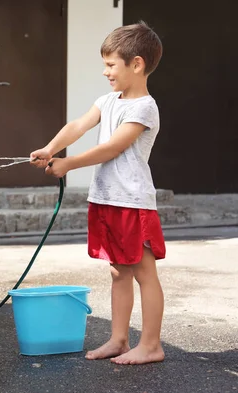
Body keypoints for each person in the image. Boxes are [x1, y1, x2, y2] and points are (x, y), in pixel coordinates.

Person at [30, 21, 166, 365]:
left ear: (136, 64)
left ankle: (151, 345)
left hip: (131, 202)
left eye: (111, 65)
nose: (105, 72)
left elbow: (112, 148)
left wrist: (68, 163)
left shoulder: (144, 108)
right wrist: (51, 148)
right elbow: (77, 125)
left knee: (143, 273)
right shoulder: (108, 100)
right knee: (118, 271)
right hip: (106, 199)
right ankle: (119, 339)